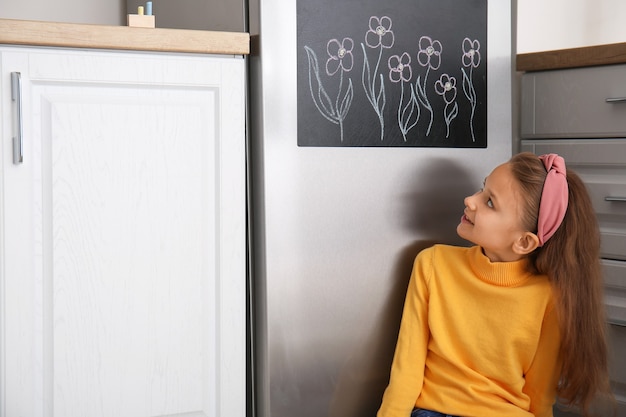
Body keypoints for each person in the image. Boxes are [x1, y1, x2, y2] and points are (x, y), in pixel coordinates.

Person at [377, 152, 613, 417]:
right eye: (482, 188)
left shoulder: (550, 298)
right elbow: (406, 366)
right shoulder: (432, 265)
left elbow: (540, 395)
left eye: (489, 202)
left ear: (524, 242)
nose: (470, 200)